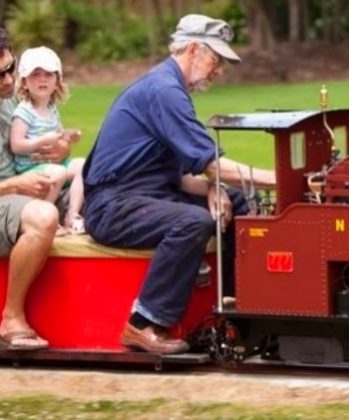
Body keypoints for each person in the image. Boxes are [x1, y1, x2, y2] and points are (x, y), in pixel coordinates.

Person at [82, 14, 274, 354]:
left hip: (149, 195)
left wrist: (215, 187)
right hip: (112, 205)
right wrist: (280, 179)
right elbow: (212, 163)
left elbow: (189, 172)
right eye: (216, 59)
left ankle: (234, 308)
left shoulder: (170, 88)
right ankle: (141, 323)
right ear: (193, 49)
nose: (219, 70)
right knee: (193, 221)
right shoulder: (164, 91)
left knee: (240, 200)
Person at [0, 28, 72, 350]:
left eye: (11, 69)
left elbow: (30, 150)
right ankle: (11, 317)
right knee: (43, 216)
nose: (8, 80)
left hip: (23, 188)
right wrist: (17, 184)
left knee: (103, 178)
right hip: (6, 195)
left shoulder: (14, 102)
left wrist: (58, 152)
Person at [10, 46, 84, 234]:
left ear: (57, 81)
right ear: (24, 82)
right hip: (30, 168)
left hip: (51, 164)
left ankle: (72, 216)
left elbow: (57, 134)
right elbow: (16, 145)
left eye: (49, 74)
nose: (42, 79)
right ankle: (48, 218)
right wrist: (42, 141)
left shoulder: (51, 108)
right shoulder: (24, 111)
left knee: (82, 165)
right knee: (58, 172)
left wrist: (68, 136)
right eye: (35, 74)